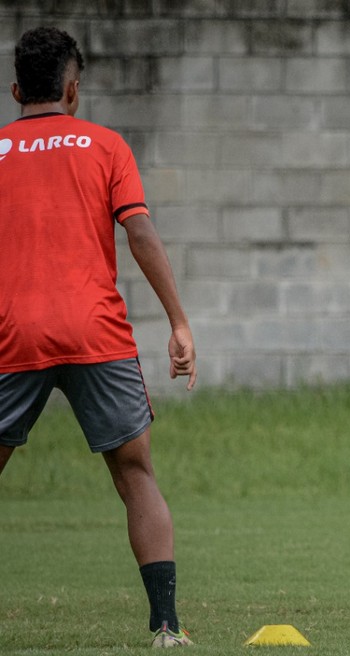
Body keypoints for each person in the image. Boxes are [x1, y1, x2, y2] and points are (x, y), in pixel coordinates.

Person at [0, 27, 197, 646]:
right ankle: (166, 625)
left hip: (13, 335)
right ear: (73, 89)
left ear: (14, 91)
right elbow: (140, 235)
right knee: (135, 474)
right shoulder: (105, 145)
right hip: (96, 332)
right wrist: (178, 321)